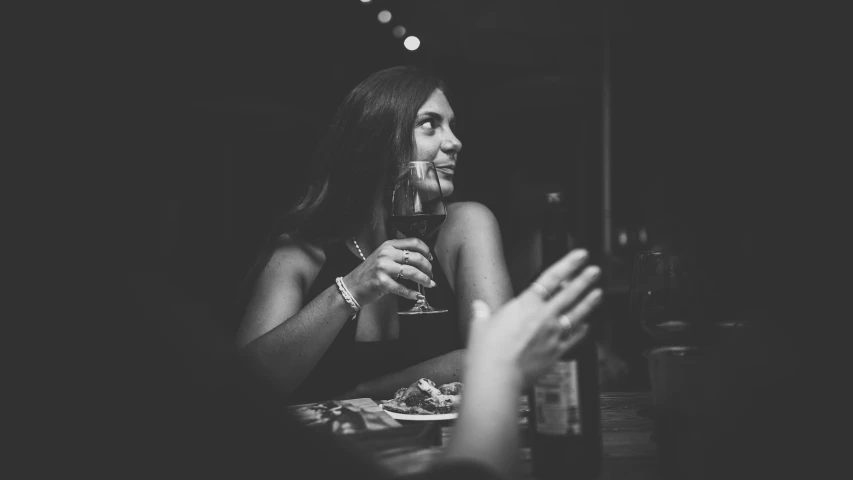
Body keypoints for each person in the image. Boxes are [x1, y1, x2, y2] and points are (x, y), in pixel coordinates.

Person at [235, 65, 516, 403]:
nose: (455, 142)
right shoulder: (300, 253)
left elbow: (498, 358)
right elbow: (241, 388)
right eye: (430, 125)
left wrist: (366, 392)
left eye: (452, 127)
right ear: (379, 138)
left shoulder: (466, 225)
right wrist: (349, 291)